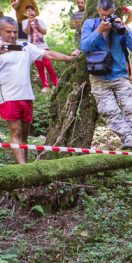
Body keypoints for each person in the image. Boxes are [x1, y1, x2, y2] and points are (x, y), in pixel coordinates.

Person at [0, 16, 77, 164]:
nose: (12, 35)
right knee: (16, 131)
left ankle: (26, 166)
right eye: (8, 31)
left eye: (15, 31)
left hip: (26, 96)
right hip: (8, 97)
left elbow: (47, 54)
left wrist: (69, 58)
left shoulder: (24, 46)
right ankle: (22, 168)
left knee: (24, 134)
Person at [81, 0, 132, 150]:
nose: (106, 18)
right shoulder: (90, 24)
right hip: (98, 77)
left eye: (109, 15)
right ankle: (128, 138)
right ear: (98, 10)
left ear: (115, 10)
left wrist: (126, 30)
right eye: (103, 15)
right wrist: (98, 30)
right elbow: (84, 46)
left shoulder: (120, 26)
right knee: (110, 112)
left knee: (129, 108)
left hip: (120, 74)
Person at [22, 6, 57, 92]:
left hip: (43, 46)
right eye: (28, 11)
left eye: (31, 10)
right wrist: (29, 22)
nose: (30, 12)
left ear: (34, 12)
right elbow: (26, 31)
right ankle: (45, 86)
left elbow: (44, 32)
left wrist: (37, 23)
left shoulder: (40, 21)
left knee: (48, 65)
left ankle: (56, 83)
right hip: (33, 47)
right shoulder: (24, 22)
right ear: (26, 13)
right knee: (39, 67)